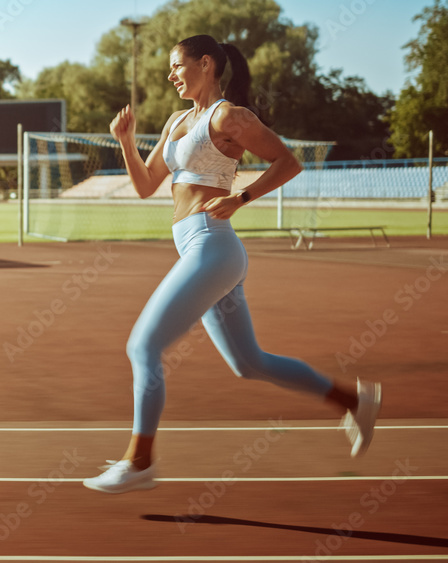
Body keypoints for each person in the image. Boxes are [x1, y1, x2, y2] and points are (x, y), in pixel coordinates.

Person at [82, 35, 381, 494]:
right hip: (201, 252)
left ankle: (139, 461)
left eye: (178, 65)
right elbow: (145, 185)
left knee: (143, 346)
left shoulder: (229, 116)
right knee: (249, 362)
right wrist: (124, 141)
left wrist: (241, 197)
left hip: (212, 247)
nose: (171, 74)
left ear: (206, 64)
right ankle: (353, 399)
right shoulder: (178, 121)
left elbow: (288, 161)